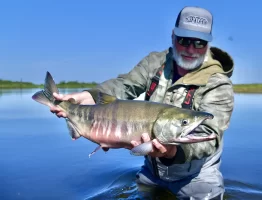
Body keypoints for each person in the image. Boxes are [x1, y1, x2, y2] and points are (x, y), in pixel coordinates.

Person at [50, 6, 234, 200]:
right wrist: (91, 96)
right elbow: (124, 85)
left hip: (196, 178)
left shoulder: (218, 84)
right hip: (152, 172)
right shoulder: (155, 62)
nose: (190, 49)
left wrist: (172, 152)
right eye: (184, 40)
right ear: (173, 37)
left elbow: (209, 137)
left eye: (199, 43)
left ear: (207, 45)